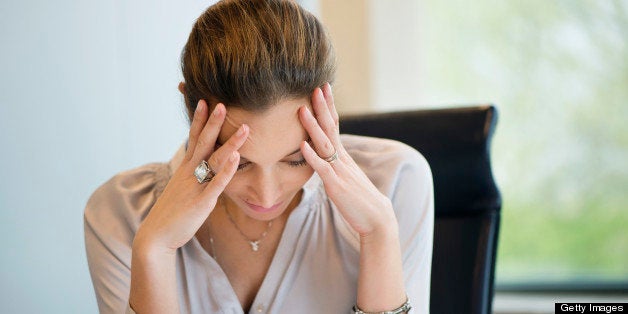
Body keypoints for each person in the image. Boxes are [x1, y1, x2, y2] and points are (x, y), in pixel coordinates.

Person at [84, 0, 434, 313]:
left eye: (297, 160)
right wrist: (154, 252)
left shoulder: (395, 181)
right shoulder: (121, 214)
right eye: (239, 162)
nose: (266, 196)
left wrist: (379, 233)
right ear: (194, 114)